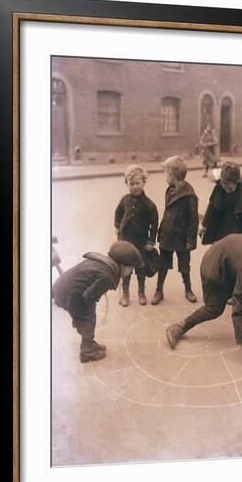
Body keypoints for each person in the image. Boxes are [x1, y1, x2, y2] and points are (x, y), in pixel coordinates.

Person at [165, 234, 242, 368]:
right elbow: (238, 308)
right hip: (214, 264)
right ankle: (179, 327)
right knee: (214, 308)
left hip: (233, 256)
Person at [52, 241, 143, 363]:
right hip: (69, 296)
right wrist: (80, 318)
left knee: (89, 314)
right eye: (131, 269)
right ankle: (86, 351)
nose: (130, 272)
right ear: (123, 266)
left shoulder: (103, 262)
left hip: (64, 287)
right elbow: (87, 298)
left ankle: (89, 342)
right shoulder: (107, 277)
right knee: (87, 318)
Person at [151, 155, 199, 305]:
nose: (165, 175)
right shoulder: (170, 190)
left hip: (182, 238)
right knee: (163, 264)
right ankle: (159, 290)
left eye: (165, 172)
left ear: (172, 174)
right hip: (167, 236)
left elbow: (194, 221)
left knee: (185, 266)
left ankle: (188, 289)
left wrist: (191, 241)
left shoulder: (189, 196)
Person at [114, 165, 159, 307]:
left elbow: (154, 224)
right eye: (131, 184)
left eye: (138, 183)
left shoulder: (149, 204)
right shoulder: (124, 200)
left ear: (144, 183)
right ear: (126, 184)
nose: (135, 187)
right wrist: (117, 226)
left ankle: (141, 292)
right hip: (125, 240)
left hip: (140, 242)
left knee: (140, 269)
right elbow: (118, 213)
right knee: (126, 269)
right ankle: (125, 294)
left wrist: (151, 241)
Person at [199, 162, 242, 245]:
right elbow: (211, 207)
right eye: (224, 186)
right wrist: (204, 226)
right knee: (220, 249)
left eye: (230, 188)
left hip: (237, 227)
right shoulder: (219, 188)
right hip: (221, 225)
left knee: (235, 249)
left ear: (237, 182)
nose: (226, 190)